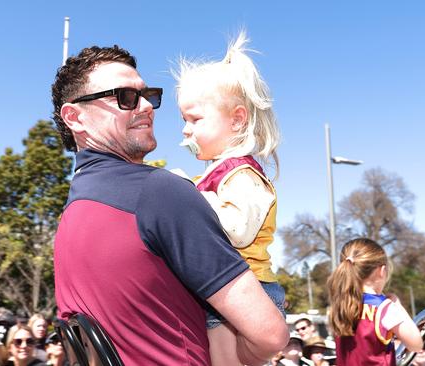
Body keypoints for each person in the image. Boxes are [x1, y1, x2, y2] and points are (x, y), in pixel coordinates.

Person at [51, 44, 287, 365]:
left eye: (147, 95)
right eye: (125, 97)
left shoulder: (71, 219)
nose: (147, 106)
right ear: (75, 117)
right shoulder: (161, 193)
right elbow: (270, 334)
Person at [174, 30, 285, 365]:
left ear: (237, 119)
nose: (185, 129)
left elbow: (237, 228)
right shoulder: (215, 174)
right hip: (231, 287)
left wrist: (187, 195)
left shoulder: (242, 174)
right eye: (183, 120)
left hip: (244, 288)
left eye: (194, 119)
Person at [327, 238, 423, 365]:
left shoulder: (339, 307)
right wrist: (397, 304)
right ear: (382, 271)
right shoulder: (384, 307)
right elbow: (416, 344)